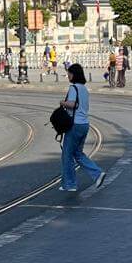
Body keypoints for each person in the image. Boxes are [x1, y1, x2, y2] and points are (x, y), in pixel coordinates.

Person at [58, 63, 104, 193]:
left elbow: (72, 104)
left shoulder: (74, 88)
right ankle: (97, 174)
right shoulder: (84, 89)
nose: (68, 76)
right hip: (84, 124)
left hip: (75, 125)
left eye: (69, 73)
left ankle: (70, 184)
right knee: (77, 153)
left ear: (73, 74)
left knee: (67, 155)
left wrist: (62, 103)